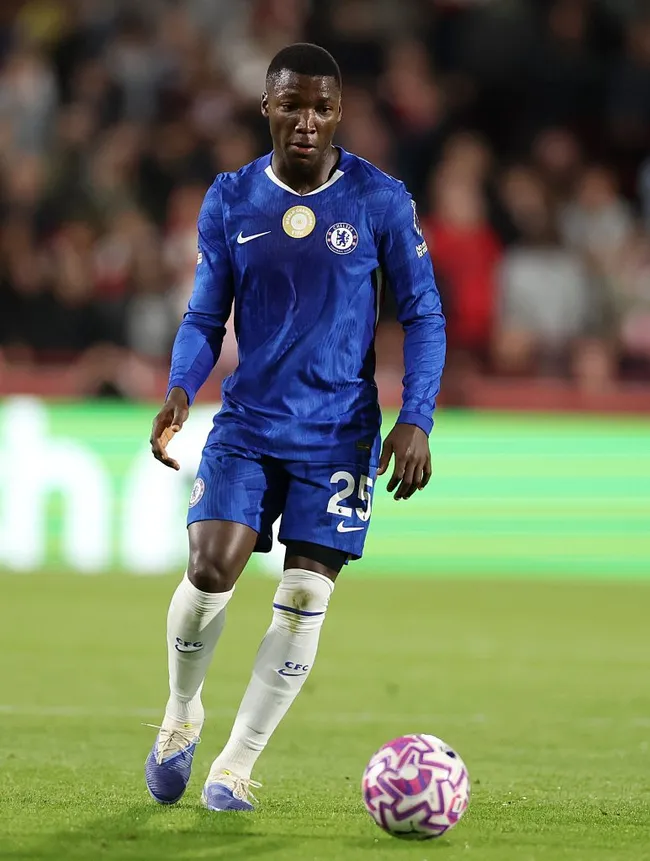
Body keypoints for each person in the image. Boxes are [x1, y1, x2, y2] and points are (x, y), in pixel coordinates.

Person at [145, 43, 446, 812]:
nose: (306, 120)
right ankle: (182, 714)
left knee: (307, 595)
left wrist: (416, 418)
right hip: (249, 421)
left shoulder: (380, 200)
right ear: (267, 107)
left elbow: (423, 313)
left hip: (339, 432)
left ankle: (234, 766)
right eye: (292, 104)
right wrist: (182, 384)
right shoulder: (231, 198)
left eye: (321, 107)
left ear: (338, 112)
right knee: (212, 568)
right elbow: (207, 311)